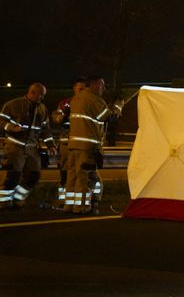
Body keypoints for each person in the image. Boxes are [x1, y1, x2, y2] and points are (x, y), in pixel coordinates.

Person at [65, 76, 121, 214]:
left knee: (73, 177)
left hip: (73, 146)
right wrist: (118, 106)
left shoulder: (76, 99)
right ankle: (82, 207)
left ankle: (70, 205)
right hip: (87, 147)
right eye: (102, 85)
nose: (104, 88)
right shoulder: (94, 99)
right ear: (95, 84)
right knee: (86, 179)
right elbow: (108, 117)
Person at [0, 83, 56, 209]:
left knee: (34, 175)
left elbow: (46, 129)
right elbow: (1, 121)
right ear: (32, 93)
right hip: (14, 144)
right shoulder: (12, 104)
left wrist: (50, 145)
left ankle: (18, 199)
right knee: (13, 175)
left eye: (43, 96)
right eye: (40, 95)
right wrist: (11, 127)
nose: (42, 98)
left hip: (31, 147)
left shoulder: (43, 109)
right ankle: (3, 202)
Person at [51, 77, 88, 207]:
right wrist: (64, 116)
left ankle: (80, 201)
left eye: (85, 89)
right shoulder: (65, 103)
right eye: (80, 88)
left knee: (82, 174)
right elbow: (56, 119)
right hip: (66, 144)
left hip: (82, 144)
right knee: (65, 172)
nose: (82, 91)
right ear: (74, 88)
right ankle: (63, 200)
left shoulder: (89, 103)